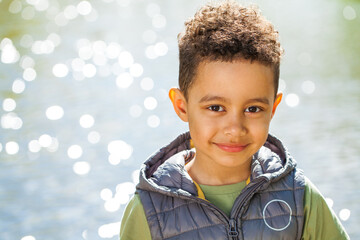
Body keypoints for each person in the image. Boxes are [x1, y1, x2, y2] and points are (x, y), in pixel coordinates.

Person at [120, 1, 349, 239]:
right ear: (182, 106)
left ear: (273, 108)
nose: (234, 128)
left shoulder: (299, 198)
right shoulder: (150, 212)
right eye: (216, 107)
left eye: (252, 108)